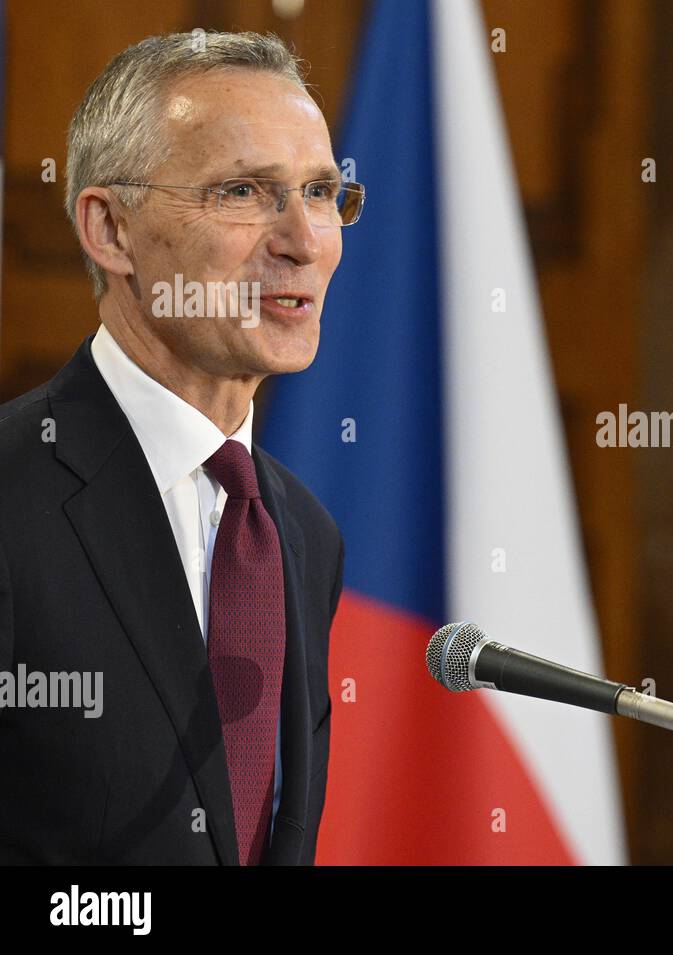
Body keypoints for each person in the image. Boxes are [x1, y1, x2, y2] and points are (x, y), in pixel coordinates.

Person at [0, 30, 361, 864]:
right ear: (112, 230)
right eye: (243, 191)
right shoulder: (13, 501)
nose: (303, 240)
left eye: (320, 192)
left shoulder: (302, 534)